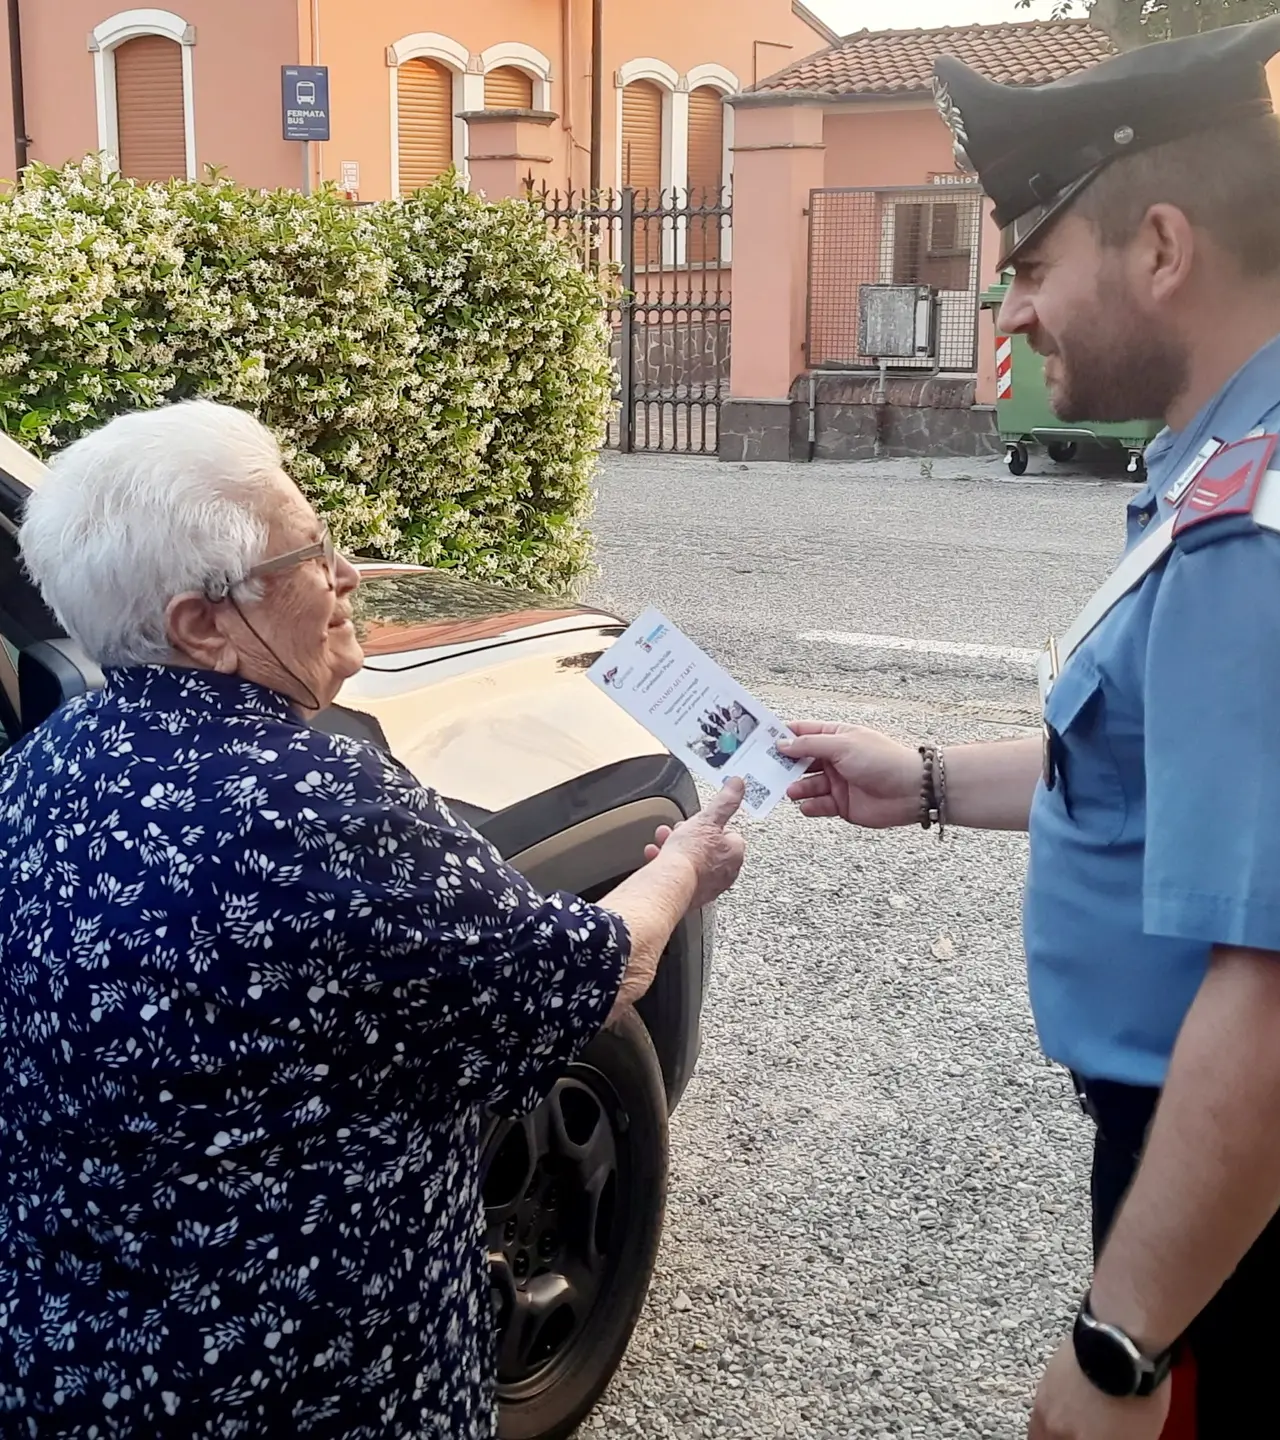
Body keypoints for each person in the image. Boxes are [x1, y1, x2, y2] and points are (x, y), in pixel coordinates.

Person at [779, 15, 1280, 1439]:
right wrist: (932, 779)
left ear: (1159, 249)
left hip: (1252, 1183)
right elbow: (1167, 773)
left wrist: (1120, 1347)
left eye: (1026, 264)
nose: (1007, 311)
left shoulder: (1266, 537)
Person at [0, 400, 746, 1438]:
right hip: (307, 1377)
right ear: (202, 624)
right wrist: (690, 865)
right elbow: (581, 971)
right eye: (307, 555)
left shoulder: (38, 769)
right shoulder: (321, 806)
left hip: (75, 1364)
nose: (347, 576)